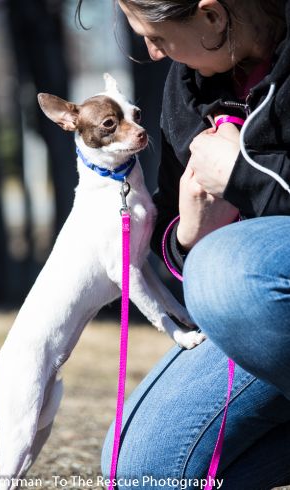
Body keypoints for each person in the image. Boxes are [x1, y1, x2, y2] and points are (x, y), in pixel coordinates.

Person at [77, 1, 290, 488]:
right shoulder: (188, 85)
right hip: (252, 319)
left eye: (160, 38)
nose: (153, 54)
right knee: (138, 472)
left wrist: (244, 176)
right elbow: (176, 226)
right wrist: (190, 235)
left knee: (225, 272)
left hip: (248, 286)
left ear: (212, 16)